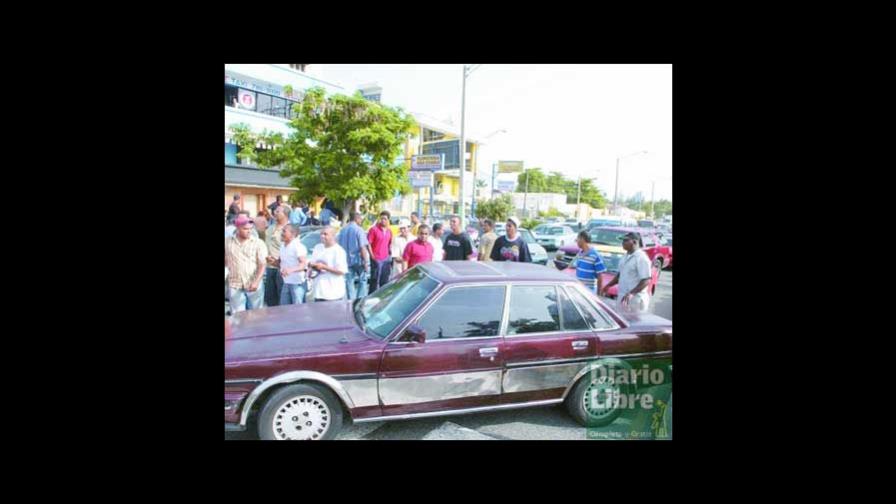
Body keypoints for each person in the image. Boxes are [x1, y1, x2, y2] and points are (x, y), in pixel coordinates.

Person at [601, 232, 652, 313]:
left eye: (626, 240)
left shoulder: (641, 258)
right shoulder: (625, 257)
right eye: (622, 241)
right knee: (622, 322)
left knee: (635, 324)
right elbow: (619, 275)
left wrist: (632, 293)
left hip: (636, 299)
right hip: (623, 297)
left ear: (634, 242)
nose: (623, 243)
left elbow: (646, 280)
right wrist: (608, 285)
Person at [225, 216, 267, 312]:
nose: (249, 231)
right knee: (237, 317)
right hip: (235, 284)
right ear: (238, 228)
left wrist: (256, 282)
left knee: (257, 315)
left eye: (250, 229)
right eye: (245, 229)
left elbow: (262, 264)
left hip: (253, 284)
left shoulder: (258, 243)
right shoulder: (227, 242)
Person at [337, 211, 371, 300]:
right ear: (357, 219)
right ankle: (360, 300)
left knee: (349, 281)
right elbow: (362, 247)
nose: (361, 221)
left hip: (346, 261)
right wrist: (366, 262)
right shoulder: (359, 230)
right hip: (358, 260)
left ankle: (351, 301)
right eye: (360, 219)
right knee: (363, 280)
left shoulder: (343, 230)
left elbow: (339, 246)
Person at [309, 226, 348, 302]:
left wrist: (324, 267)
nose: (322, 236)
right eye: (321, 234)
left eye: (325, 234)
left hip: (332, 295)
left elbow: (341, 271)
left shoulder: (338, 251)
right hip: (318, 292)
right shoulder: (318, 247)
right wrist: (311, 268)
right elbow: (313, 264)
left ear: (333, 236)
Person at [262, 205, 290, 307]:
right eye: (275, 211)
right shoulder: (270, 228)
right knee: (270, 299)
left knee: (282, 300)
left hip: (282, 269)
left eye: (278, 211)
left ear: (285, 214)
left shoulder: (289, 230)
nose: (275, 213)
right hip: (269, 268)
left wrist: (279, 262)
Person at [279, 224, 309, 305]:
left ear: (293, 234)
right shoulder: (282, 246)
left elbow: (303, 264)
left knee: (298, 311)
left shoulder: (298, 246)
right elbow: (282, 263)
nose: (282, 233)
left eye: (284, 231)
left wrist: (291, 270)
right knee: (284, 309)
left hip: (297, 284)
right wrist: (273, 261)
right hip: (286, 282)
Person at [573, 230, 607, 295]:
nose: (576, 241)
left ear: (582, 239)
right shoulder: (580, 253)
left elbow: (600, 277)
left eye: (577, 239)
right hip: (578, 291)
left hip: (589, 293)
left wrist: (598, 294)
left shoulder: (595, 255)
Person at [367, 211, 393, 292]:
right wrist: (372, 256)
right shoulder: (374, 230)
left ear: (388, 220)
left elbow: (389, 244)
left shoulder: (389, 231)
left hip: (386, 259)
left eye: (385, 219)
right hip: (376, 258)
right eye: (381, 219)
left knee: (384, 280)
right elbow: (368, 243)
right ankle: (371, 296)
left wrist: (390, 256)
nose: (383, 220)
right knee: (374, 280)